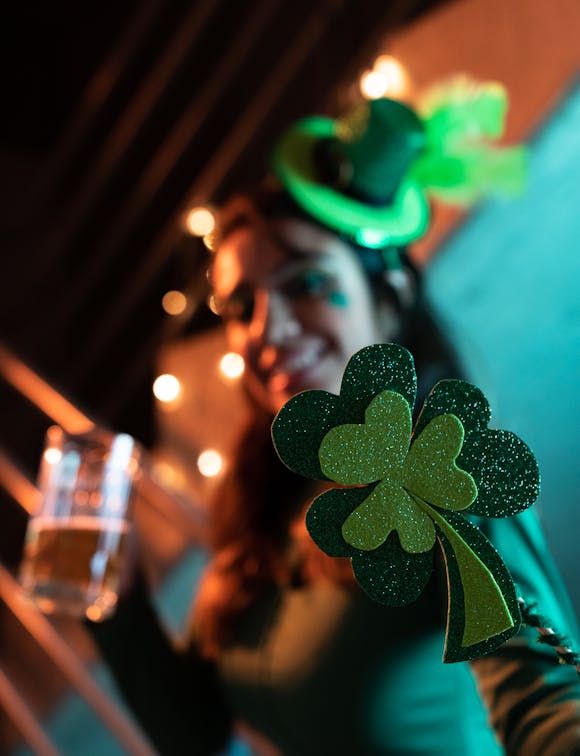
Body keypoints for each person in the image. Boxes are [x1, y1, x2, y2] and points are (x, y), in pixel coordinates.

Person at [90, 83, 580, 755]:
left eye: (305, 282)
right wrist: (117, 604)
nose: (269, 329)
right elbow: (197, 735)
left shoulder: (450, 467)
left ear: (390, 292)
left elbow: (542, 698)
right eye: (240, 309)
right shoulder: (261, 513)